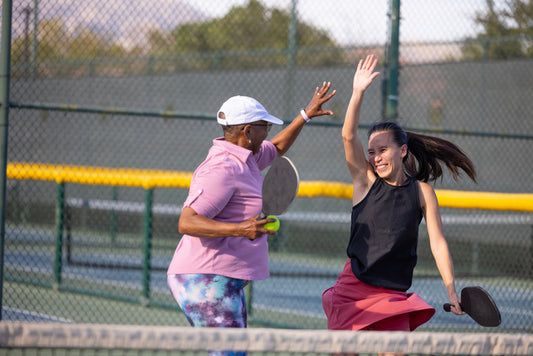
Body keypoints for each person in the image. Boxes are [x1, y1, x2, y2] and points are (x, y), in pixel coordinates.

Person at [167, 83, 336, 354]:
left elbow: (278, 146)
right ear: (247, 131)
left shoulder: (249, 159)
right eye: (264, 126)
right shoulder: (222, 168)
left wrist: (304, 115)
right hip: (204, 278)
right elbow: (187, 222)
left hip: (224, 278)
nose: (268, 131)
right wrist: (240, 229)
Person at [322, 55, 477, 333]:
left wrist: (452, 290)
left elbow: (438, 243)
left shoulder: (422, 192)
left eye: (382, 150)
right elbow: (348, 137)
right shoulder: (364, 181)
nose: (376, 158)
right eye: (371, 152)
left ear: (402, 151)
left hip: (392, 294)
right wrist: (357, 92)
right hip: (353, 289)